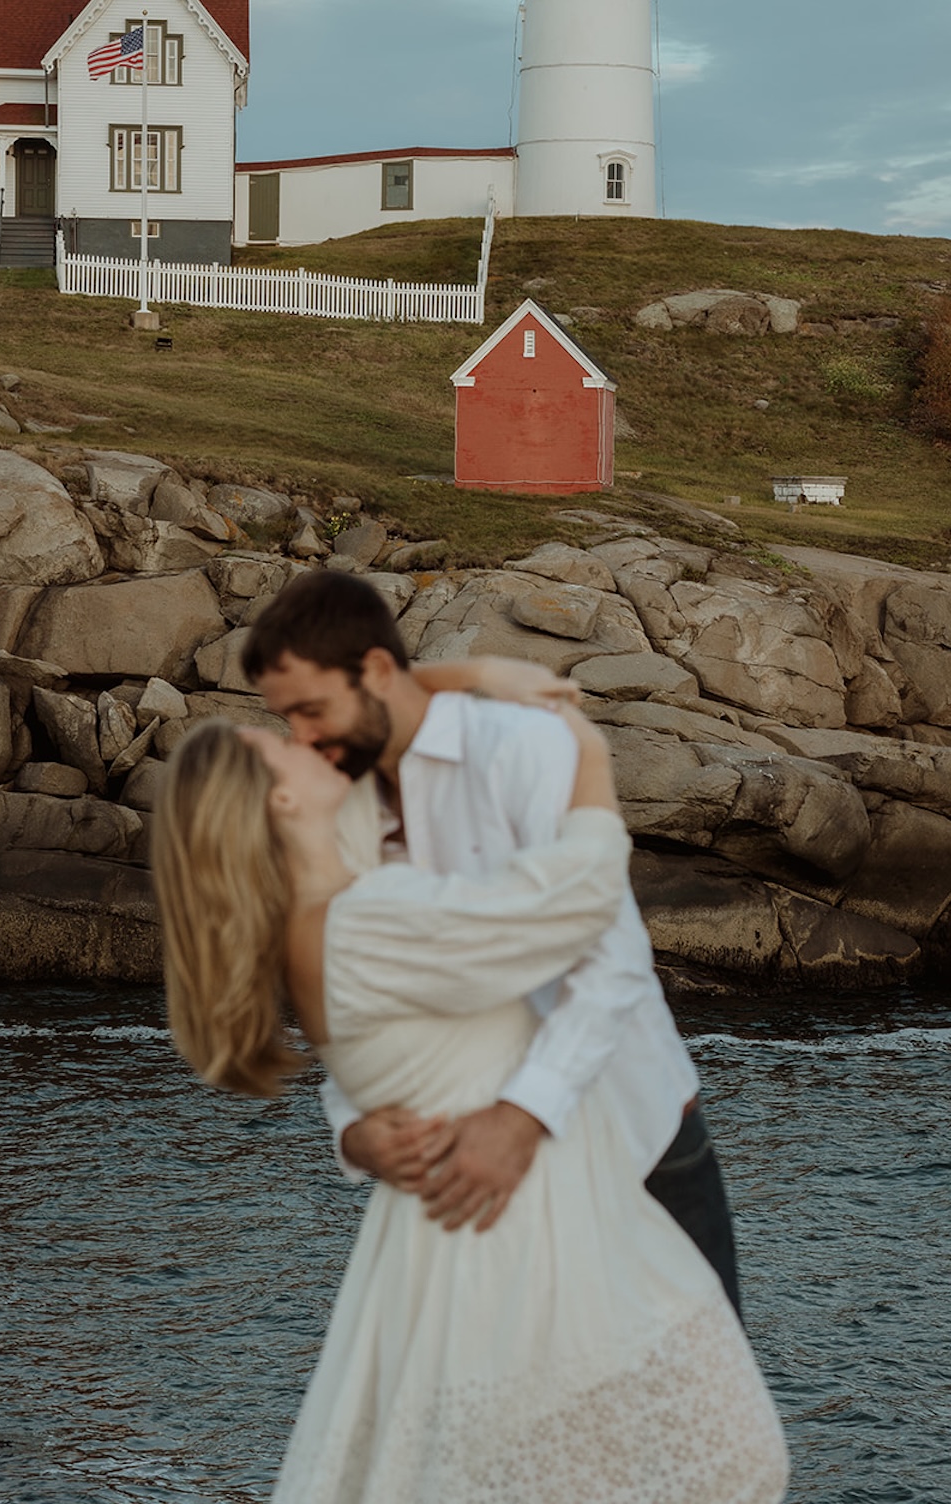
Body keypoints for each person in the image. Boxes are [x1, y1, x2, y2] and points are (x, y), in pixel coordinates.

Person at [151, 708, 789, 1504]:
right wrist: (585, 760)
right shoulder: (373, 917)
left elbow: (391, 1060)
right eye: (280, 748)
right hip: (518, 1231)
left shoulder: (316, 921)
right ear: (280, 802)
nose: (303, 742)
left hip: (499, 1215)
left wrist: (354, 1133)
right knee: (727, 1459)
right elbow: (585, 919)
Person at [240, 569, 744, 1312]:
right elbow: (352, 998)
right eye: (288, 720)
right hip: (474, 1171)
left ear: (378, 670)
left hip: (638, 1139)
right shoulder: (332, 809)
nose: (302, 739)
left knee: (704, 1409)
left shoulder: (519, 745)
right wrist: (355, 1133)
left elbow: (613, 963)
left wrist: (521, 1117)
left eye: (312, 711)